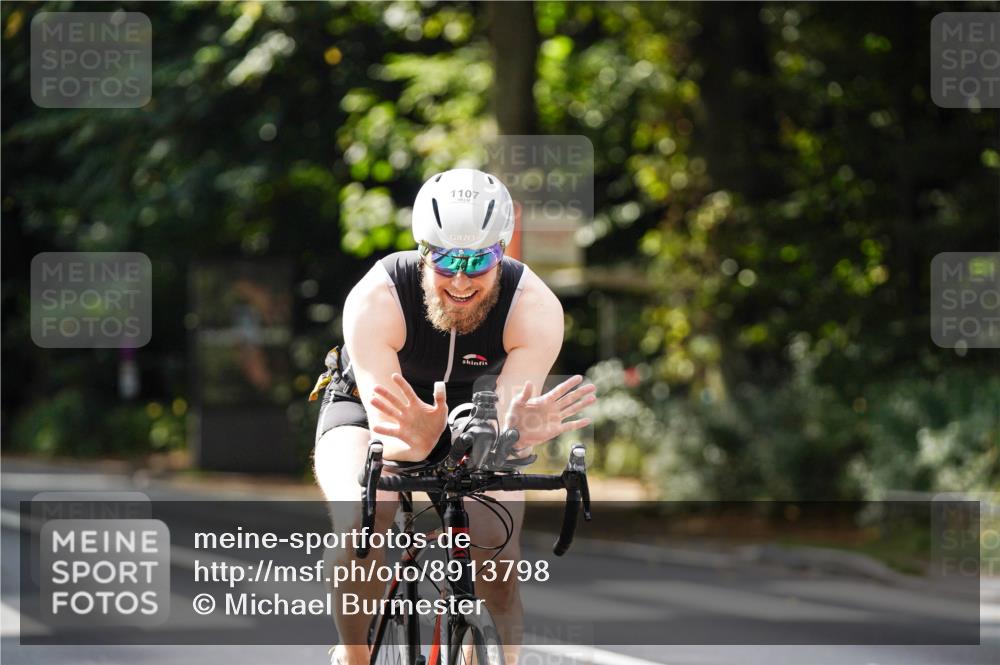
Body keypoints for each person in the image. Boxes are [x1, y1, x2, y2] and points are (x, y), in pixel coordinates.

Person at [312, 168, 596, 665]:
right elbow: (390, 432)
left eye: (479, 260)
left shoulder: (535, 307)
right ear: (423, 250)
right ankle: (355, 656)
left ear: (503, 251)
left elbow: (501, 424)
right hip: (369, 408)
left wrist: (514, 436)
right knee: (364, 520)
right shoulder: (376, 298)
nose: (461, 279)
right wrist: (427, 444)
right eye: (444, 259)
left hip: (475, 407)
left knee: (497, 558)